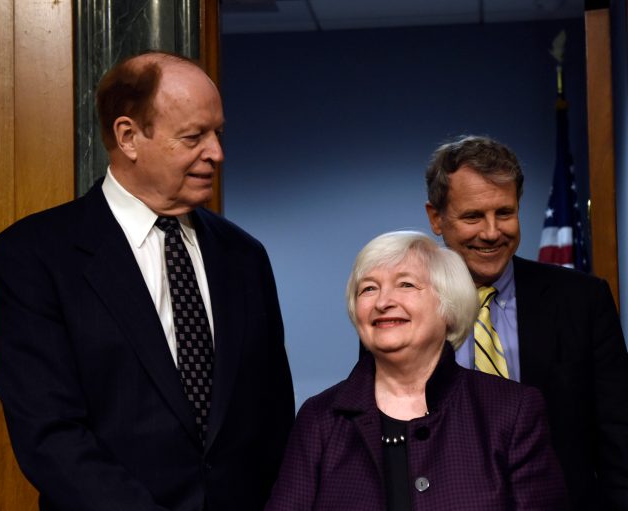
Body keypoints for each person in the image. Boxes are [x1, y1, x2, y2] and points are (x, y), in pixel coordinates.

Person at [0, 51, 295, 511]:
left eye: (218, 133)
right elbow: (50, 434)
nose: (217, 153)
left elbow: (272, 418)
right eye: (194, 137)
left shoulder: (244, 256)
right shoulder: (35, 256)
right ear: (128, 137)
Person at [266, 231, 566, 510]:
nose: (383, 302)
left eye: (406, 284)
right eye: (368, 288)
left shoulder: (511, 410)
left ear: (448, 306)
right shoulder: (320, 418)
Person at [424, 135, 628, 510]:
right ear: (436, 218)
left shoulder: (584, 300)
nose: (491, 232)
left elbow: (619, 436)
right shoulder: (403, 308)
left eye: (504, 212)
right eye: (472, 216)